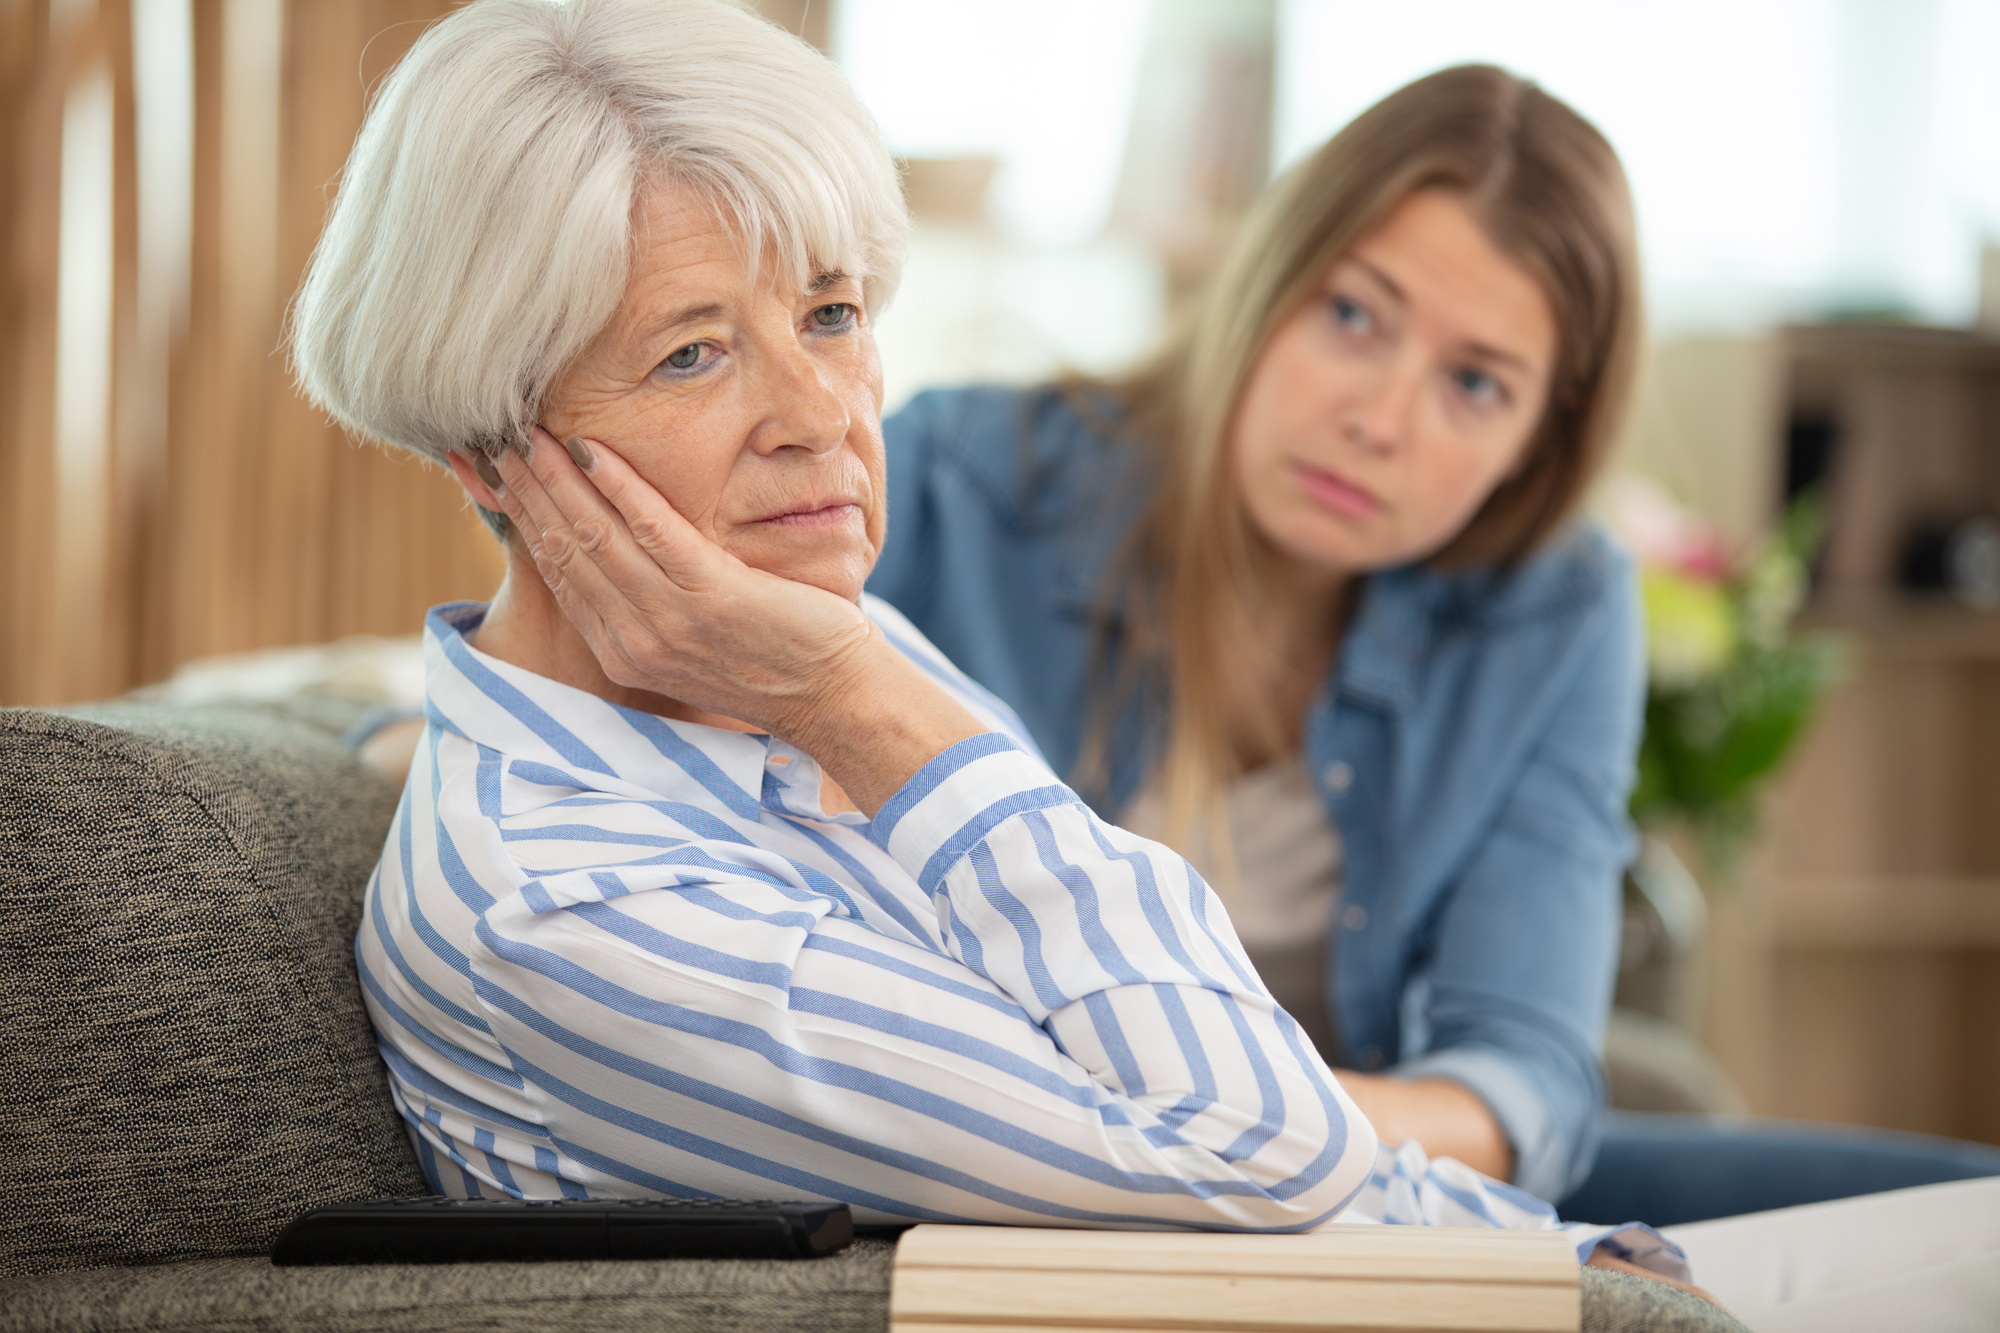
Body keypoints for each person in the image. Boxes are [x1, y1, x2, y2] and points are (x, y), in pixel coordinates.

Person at [287, 0, 1693, 1286]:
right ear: (490, 455)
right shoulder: (589, 897)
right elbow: (1272, 1143)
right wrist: (856, 697)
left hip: (1512, 1243)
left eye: (833, 314)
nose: (825, 414)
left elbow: (1482, 1078)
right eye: (693, 352)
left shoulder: (822, 639)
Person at [870, 64, 1640, 1204]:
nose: (1376, 421)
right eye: (1350, 314)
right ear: (1263, 278)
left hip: (1342, 1197)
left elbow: (1518, 1082)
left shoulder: (1555, 606)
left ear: (1535, 439)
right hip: (979, 1182)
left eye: (1474, 384)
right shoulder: (953, 482)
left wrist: (1246, 1137)